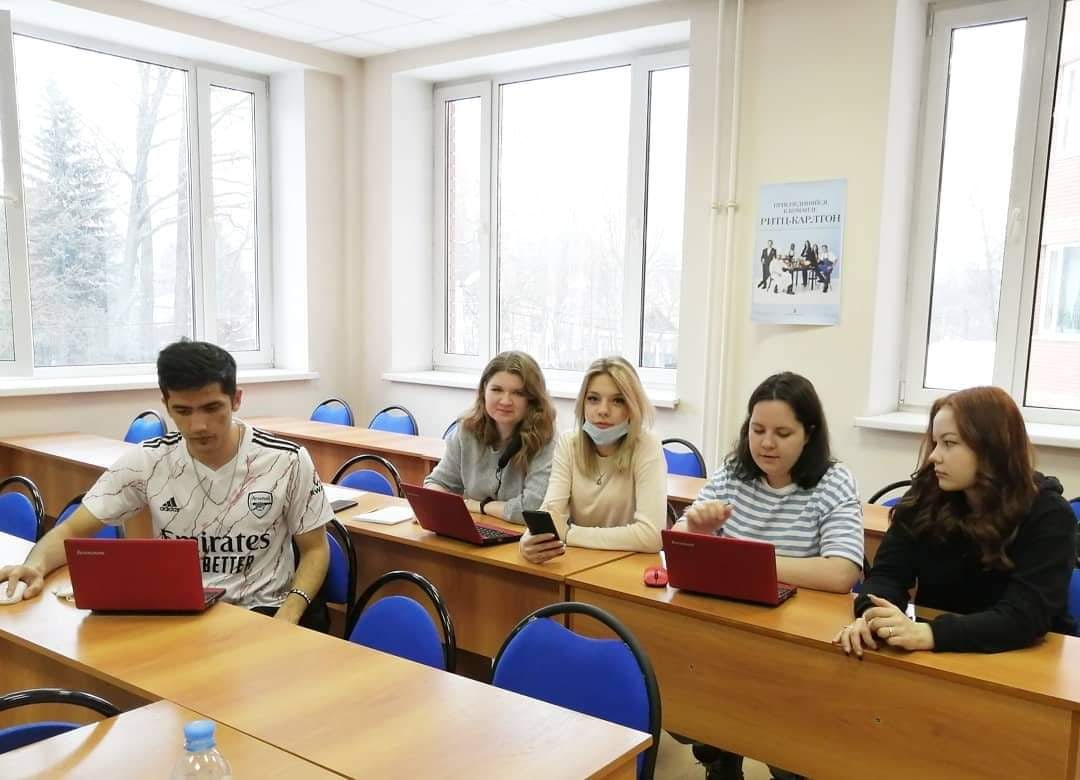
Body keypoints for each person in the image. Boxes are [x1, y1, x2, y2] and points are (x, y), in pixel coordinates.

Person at [0, 340, 333, 631]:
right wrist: (34, 566)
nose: (198, 425)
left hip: (260, 610)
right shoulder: (148, 460)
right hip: (179, 610)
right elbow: (72, 529)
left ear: (236, 399)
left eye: (212, 408)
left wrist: (290, 613)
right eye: (182, 411)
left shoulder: (286, 460)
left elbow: (315, 549)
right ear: (166, 404)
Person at [674, 371, 863, 780]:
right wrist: (696, 529)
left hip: (795, 637)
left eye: (782, 433)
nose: (766, 443)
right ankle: (719, 756)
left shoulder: (833, 481)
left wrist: (752, 563)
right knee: (685, 683)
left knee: (784, 741)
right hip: (729, 626)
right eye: (757, 430)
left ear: (808, 434)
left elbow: (842, 571)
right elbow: (680, 543)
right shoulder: (734, 472)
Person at [835, 386, 1076, 657]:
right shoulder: (927, 496)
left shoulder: (1049, 515)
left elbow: (1024, 617)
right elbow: (887, 575)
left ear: (992, 448)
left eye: (949, 443)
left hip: (1022, 659)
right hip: (938, 651)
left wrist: (930, 634)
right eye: (935, 443)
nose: (934, 456)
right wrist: (872, 616)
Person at [520, 356, 665, 563]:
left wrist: (570, 534)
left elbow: (651, 536)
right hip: (579, 562)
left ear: (633, 407)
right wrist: (528, 540)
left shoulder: (647, 446)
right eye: (593, 399)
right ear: (582, 404)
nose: (603, 410)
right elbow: (551, 513)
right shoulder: (569, 443)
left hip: (628, 564)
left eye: (618, 400)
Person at [424, 351, 556, 523]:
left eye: (518, 393)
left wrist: (480, 506)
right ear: (484, 390)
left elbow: (532, 509)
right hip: (476, 528)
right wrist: (431, 505)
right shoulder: (466, 430)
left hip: (524, 536)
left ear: (532, 399)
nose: (505, 401)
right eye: (497, 390)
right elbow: (438, 482)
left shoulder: (545, 440)